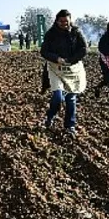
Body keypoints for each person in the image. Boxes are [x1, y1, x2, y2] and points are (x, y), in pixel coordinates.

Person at [40, 10, 88, 138]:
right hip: (55, 68)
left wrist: (71, 60)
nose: (64, 24)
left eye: (66, 21)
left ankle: (70, 126)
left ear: (70, 20)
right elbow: (44, 51)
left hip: (72, 69)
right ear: (57, 21)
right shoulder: (51, 34)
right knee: (57, 96)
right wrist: (57, 58)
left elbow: (84, 48)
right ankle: (50, 117)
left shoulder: (76, 32)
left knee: (71, 98)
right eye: (61, 21)